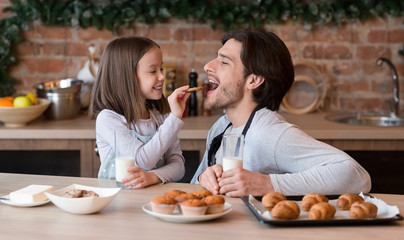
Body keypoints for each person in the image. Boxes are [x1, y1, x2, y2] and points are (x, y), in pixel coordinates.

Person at [190, 29, 371, 197]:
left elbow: (357, 175)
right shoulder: (221, 128)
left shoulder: (268, 133)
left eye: (223, 62)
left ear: (253, 80)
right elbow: (192, 189)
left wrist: (269, 184)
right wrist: (203, 179)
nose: (207, 66)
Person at [89, 37, 191, 189]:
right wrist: (175, 118)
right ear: (126, 76)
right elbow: (142, 161)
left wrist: (153, 177)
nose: (162, 76)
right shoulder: (109, 119)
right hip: (119, 205)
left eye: (161, 69)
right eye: (152, 71)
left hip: (155, 202)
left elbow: (179, 166)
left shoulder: (160, 116)